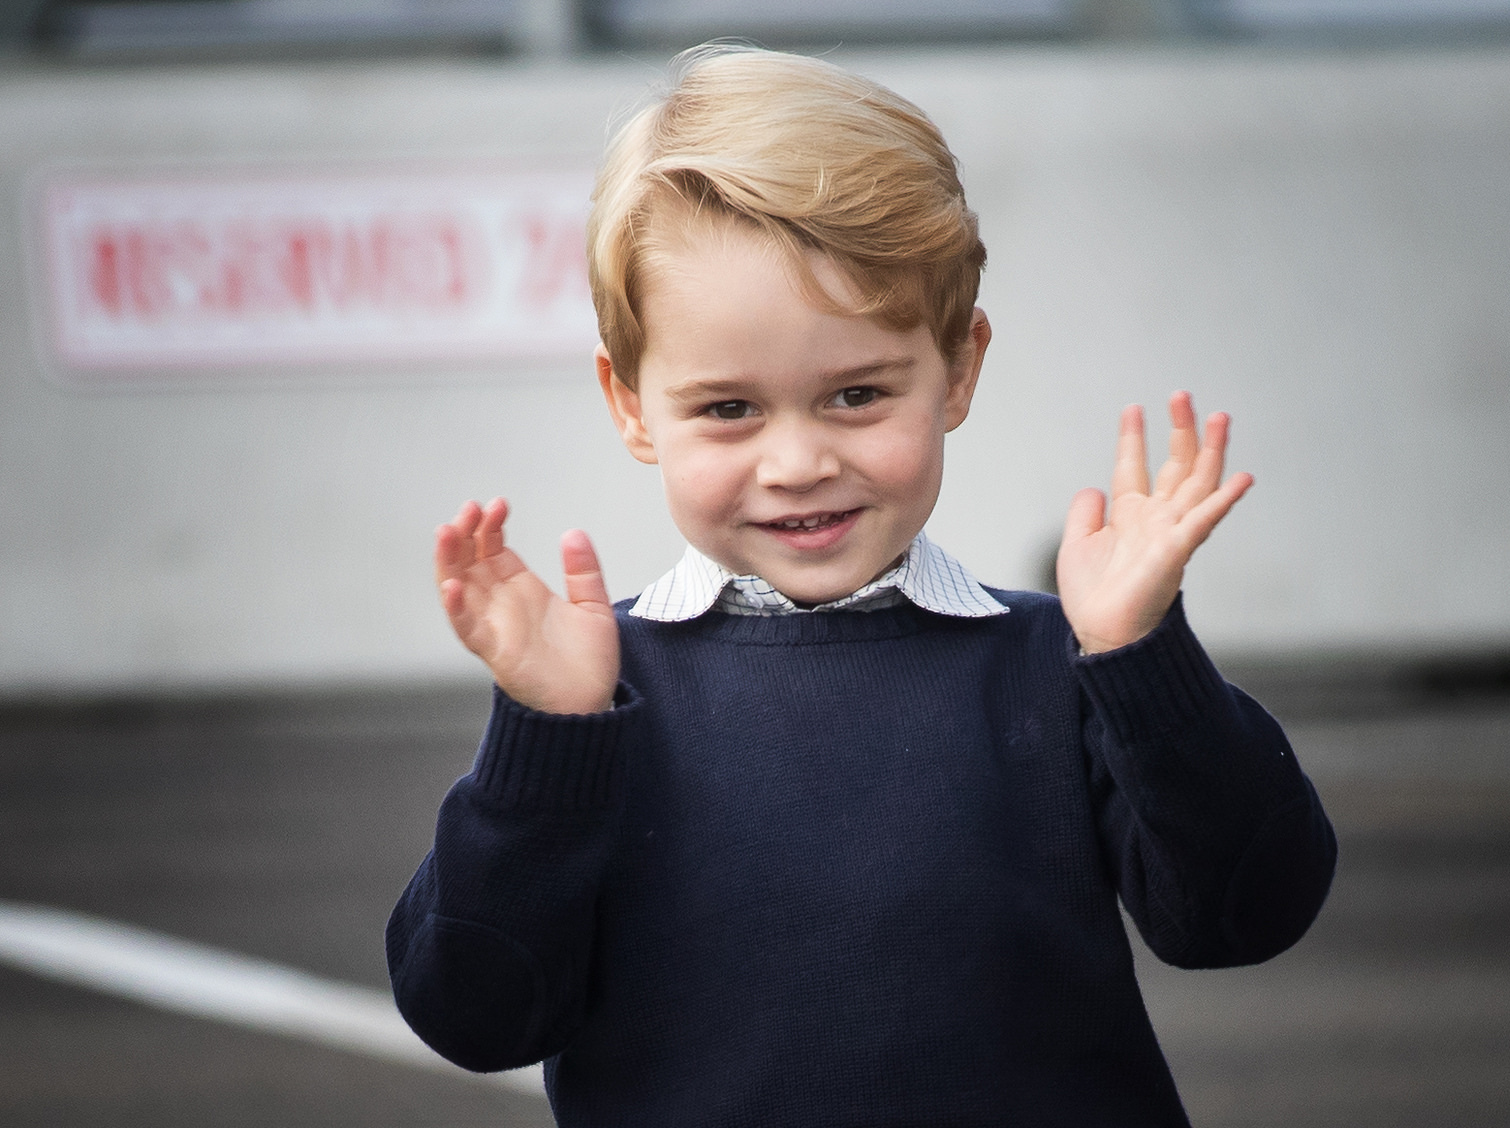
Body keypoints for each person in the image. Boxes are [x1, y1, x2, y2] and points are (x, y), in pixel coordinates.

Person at [387, 46, 1337, 1128]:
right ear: (631, 404)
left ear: (958, 369)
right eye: (728, 409)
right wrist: (543, 738)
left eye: (854, 394)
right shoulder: (595, 700)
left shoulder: (1053, 665)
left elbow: (1243, 915)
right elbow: (474, 1012)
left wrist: (1141, 656)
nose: (796, 463)